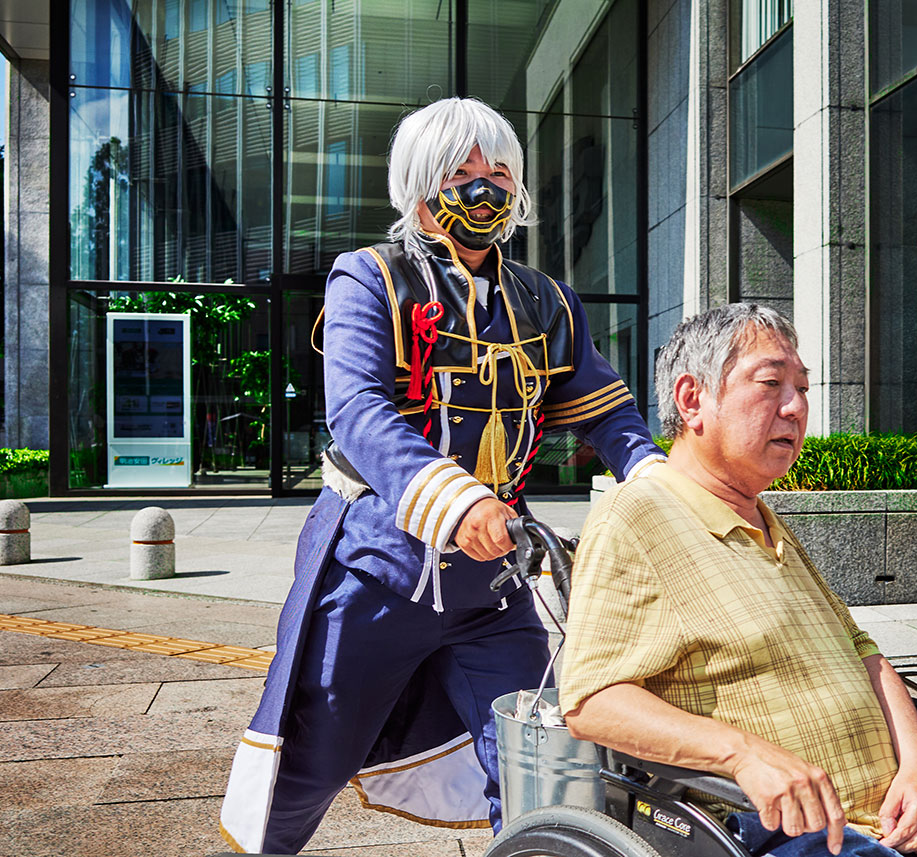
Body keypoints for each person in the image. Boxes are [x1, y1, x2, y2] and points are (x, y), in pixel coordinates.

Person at [219, 97, 664, 855]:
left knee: (538, 764)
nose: (484, 188)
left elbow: (606, 409)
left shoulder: (546, 301)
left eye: (500, 172)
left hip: (494, 588)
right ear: (420, 186)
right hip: (377, 573)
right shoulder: (370, 277)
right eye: (462, 172)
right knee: (307, 764)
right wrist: (458, 502)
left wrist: (655, 482)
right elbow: (358, 411)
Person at [559, 303, 917, 857]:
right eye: (771, 384)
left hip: (896, 811)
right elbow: (591, 702)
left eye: (802, 388)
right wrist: (744, 754)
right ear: (692, 399)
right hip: (786, 830)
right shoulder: (636, 516)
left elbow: (862, 651)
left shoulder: (763, 518)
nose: (795, 407)